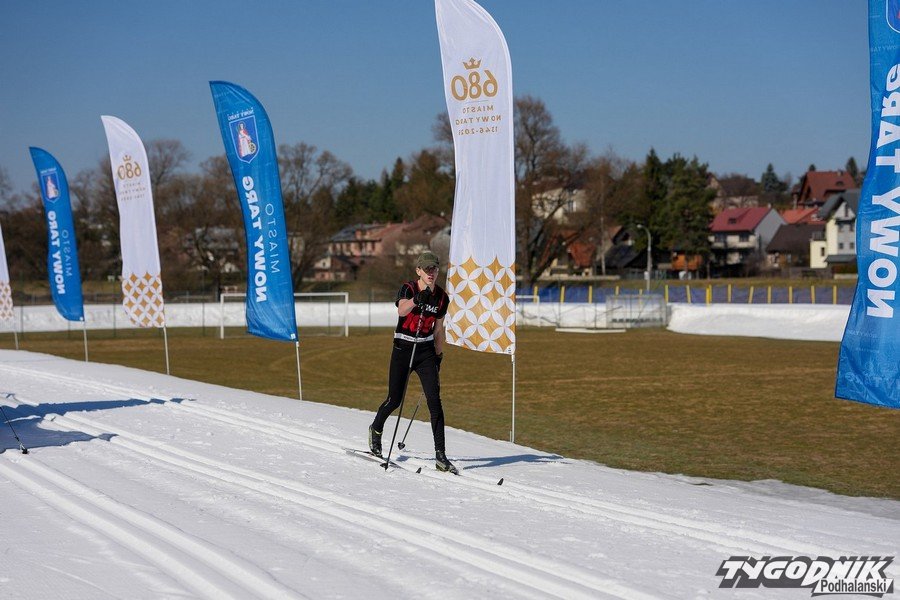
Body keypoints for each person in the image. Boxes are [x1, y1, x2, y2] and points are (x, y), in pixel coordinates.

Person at [368, 251, 457, 474]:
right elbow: (401, 310)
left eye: (434, 269)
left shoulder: (442, 298)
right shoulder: (408, 288)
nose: (431, 272)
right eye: (426, 269)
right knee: (394, 400)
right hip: (403, 348)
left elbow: (438, 330)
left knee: (435, 402)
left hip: (425, 351)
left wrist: (438, 356)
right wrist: (417, 299)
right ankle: (376, 429)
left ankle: (440, 456)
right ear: (418, 270)